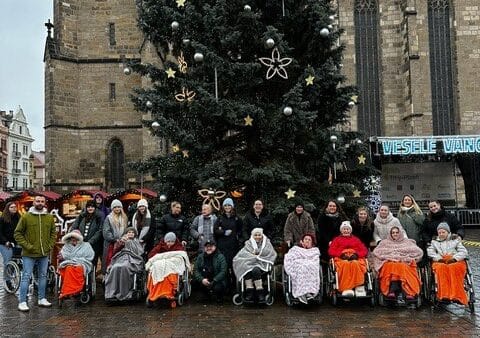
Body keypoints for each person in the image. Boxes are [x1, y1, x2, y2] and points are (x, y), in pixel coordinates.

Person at [14, 195, 56, 312]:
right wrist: (28, 246)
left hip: (44, 253)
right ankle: (22, 301)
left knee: (43, 276)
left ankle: (42, 298)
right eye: (38, 201)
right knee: (26, 276)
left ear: (45, 203)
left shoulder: (49, 217)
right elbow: (17, 234)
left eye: (42, 201)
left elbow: (53, 232)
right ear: (34, 202)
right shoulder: (26, 217)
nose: (40, 203)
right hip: (29, 253)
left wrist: (49, 245)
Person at [372, 226, 423, 302]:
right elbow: (377, 252)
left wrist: (404, 256)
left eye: (397, 232)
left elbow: (418, 252)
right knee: (391, 265)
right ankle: (391, 290)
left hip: (404, 262)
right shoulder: (384, 242)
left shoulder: (407, 242)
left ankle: (407, 291)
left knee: (401, 266)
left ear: (400, 233)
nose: (395, 234)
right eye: (393, 233)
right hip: (389, 261)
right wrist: (391, 256)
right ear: (390, 234)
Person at [427, 222, 469, 305]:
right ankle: (444, 295)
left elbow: (464, 252)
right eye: (439, 232)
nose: (441, 234)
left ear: (448, 232)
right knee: (440, 269)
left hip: (454, 260)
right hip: (440, 261)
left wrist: (454, 258)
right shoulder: (434, 242)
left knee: (454, 268)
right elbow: (430, 252)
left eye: (443, 232)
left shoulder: (455, 240)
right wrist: (438, 258)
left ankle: (457, 295)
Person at [233, 228, 277, 303]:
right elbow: (242, 254)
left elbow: (271, 253)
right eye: (255, 235)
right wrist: (252, 256)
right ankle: (249, 290)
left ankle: (260, 291)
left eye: (259, 235)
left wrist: (259, 255)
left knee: (255, 269)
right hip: (249, 263)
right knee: (245, 267)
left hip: (262, 264)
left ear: (262, 235)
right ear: (252, 236)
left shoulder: (267, 243)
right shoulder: (248, 243)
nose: (257, 237)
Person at [145, 232, 189, 307]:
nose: (170, 243)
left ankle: (167, 294)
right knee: (156, 267)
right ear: (165, 241)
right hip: (160, 266)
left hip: (172, 266)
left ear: (175, 241)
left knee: (170, 274)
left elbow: (182, 256)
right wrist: (162, 258)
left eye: (172, 242)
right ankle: (155, 294)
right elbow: (151, 255)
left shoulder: (179, 246)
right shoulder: (160, 246)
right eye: (168, 241)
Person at [328, 221, 368, 297]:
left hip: (355, 257)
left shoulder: (356, 239)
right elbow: (331, 251)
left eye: (347, 229)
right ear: (341, 230)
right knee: (345, 264)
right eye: (344, 229)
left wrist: (357, 255)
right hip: (341, 258)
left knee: (356, 264)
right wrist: (341, 255)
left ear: (350, 230)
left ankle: (358, 286)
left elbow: (364, 250)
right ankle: (346, 288)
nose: (346, 231)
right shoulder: (336, 240)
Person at [104, 227, 145, 301]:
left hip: (133, 260)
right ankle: (112, 293)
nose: (131, 233)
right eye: (129, 232)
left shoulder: (137, 242)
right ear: (126, 234)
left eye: (132, 232)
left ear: (135, 234)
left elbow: (139, 254)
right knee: (115, 267)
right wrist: (121, 243)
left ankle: (124, 293)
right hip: (120, 258)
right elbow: (115, 252)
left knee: (125, 267)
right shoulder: (121, 241)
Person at [214, 198, 243, 291]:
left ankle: (235, 288)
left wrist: (237, 236)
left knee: (234, 266)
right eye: (225, 205)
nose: (227, 207)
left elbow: (241, 230)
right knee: (224, 267)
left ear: (232, 207)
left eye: (229, 205)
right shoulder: (220, 218)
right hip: (222, 246)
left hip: (233, 246)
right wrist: (223, 232)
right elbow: (215, 230)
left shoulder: (237, 218)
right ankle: (225, 288)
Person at [57, 230, 95, 299]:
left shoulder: (86, 245)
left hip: (82, 263)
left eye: (76, 238)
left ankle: (74, 290)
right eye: (72, 238)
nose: (74, 240)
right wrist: (62, 257)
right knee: (68, 268)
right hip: (68, 264)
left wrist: (76, 260)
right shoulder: (66, 246)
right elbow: (62, 255)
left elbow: (90, 256)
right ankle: (68, 291)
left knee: (78, 268)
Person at [283, 233, 320, 303]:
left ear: (312, 243)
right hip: (298, 267)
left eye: (309, 240)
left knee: (311, 267)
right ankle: (302, 293)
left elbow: (315, 262)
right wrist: (300, 262)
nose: (307, 241)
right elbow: (289, 259)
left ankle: (310, 292)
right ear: (301, 241)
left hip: (310, 268)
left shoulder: (314, 251)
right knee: (302, 268)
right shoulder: (295, 249)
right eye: (305, 239)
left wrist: (307, 263)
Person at [70, 200, 103, 273]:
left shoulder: (98, 217)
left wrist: (91, 241)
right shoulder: (82, 216)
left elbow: (99, 231)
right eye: (88, 207)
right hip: (81, 244)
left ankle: (90, 281)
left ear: (95, 208)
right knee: (80, 263)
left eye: (92, 207)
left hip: (94, 245)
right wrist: (75, 237)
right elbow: (74, 227)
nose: (90, 208)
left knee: (92, 263)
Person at [102, 199, 128, 273]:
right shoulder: (108, 218)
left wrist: (123, 238)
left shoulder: (124, 218)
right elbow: (106, 232)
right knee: (109, 261)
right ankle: (107, 279)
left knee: (119, 262)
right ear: (112, 208)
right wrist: (115, 239)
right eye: (115, 207)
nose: (117, 209)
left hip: (122, 244)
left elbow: (126, 230)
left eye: (119, 207)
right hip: (111, 244)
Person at [0, 202, 21, 290]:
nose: (14, 208)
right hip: (4, 243)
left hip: (16, 242)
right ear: (7, 208)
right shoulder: (2, 219)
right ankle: (7, 280)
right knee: (8, 260)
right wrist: (5, 242)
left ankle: (13, 274)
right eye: (11, 207)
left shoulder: (19, 218)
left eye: (15, 207)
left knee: (18, 260)